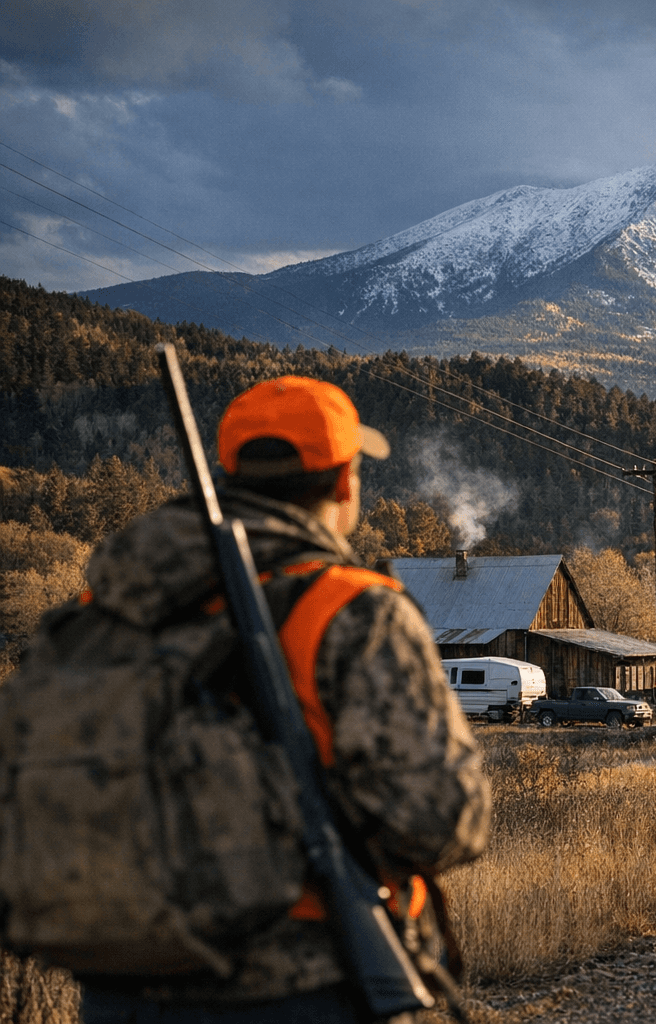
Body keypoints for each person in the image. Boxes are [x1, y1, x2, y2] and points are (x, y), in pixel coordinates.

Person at [77, 376, 491, 1022]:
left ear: (231, 476)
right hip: (299, 985)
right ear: (346, 482)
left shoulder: (110, 605)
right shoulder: (356, 612)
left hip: (126, 985)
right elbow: (443, 818)